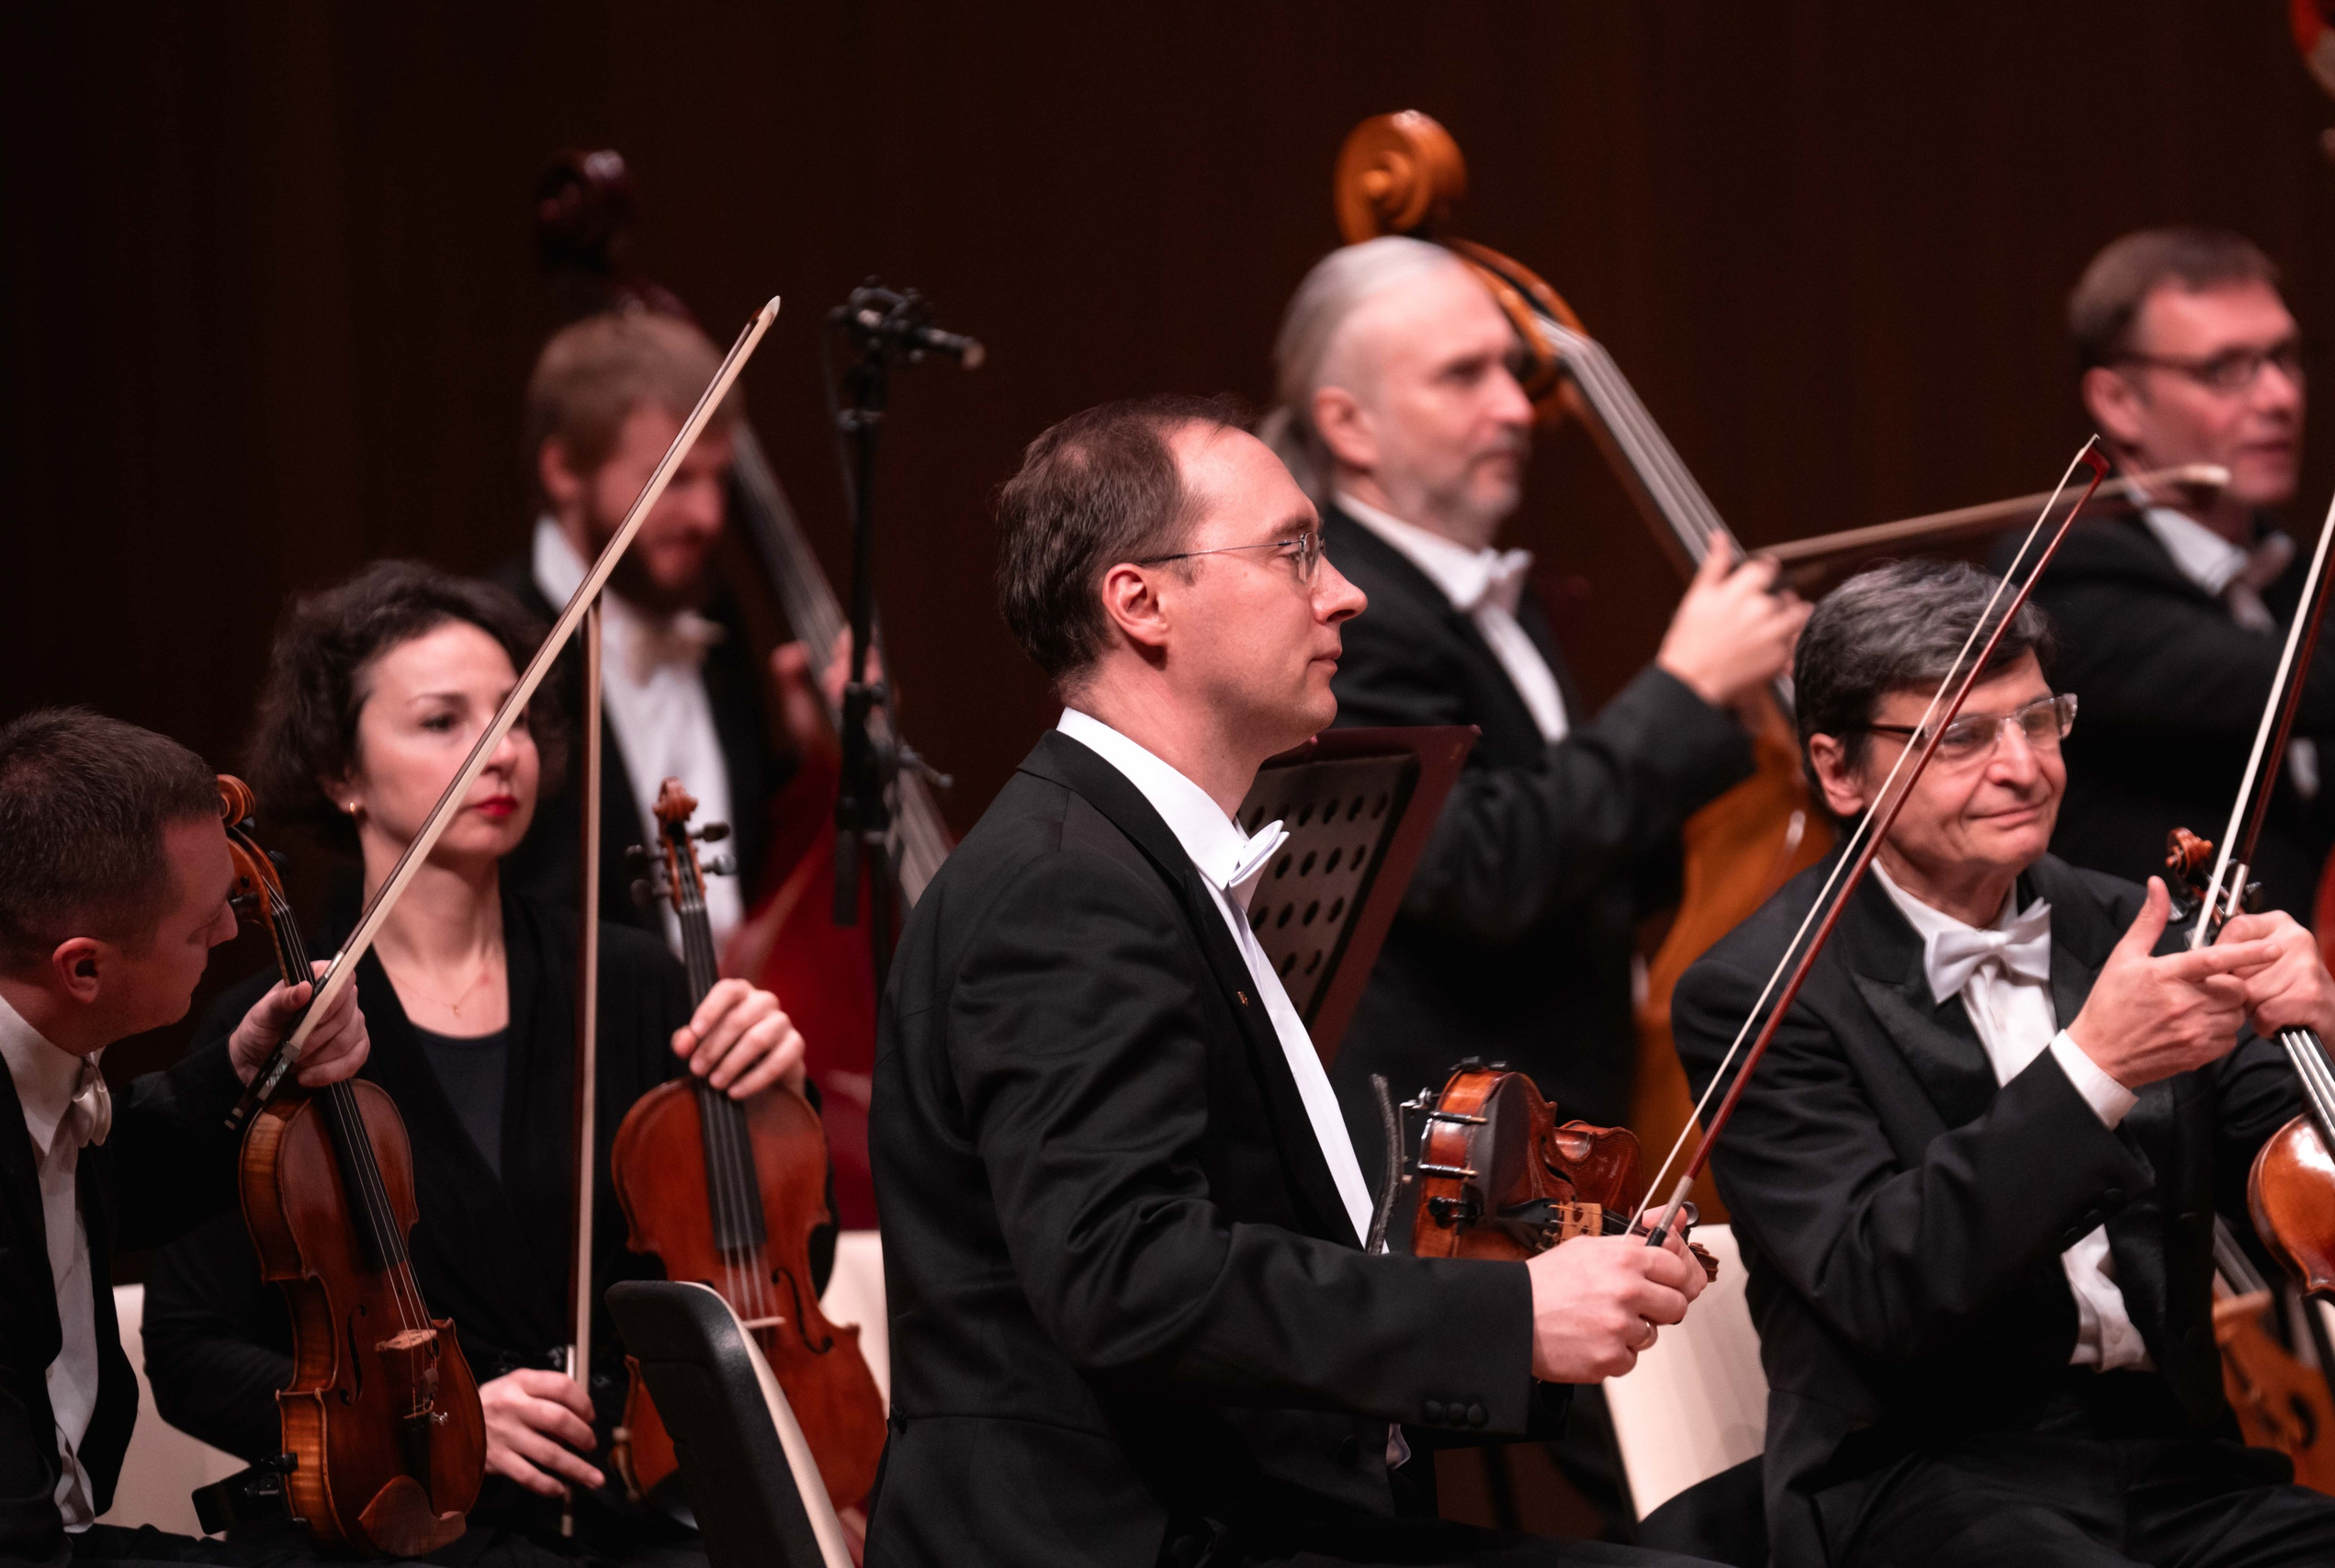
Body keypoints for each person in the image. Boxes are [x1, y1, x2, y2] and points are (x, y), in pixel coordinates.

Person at [868, 395, 1712, 1568]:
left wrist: (1555, 1275)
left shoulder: (1136, 860)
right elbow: (1130, 1277)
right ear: (1139, 601)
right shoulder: (1066, 890)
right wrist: (1509, 1318)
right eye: (1295, 552)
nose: (1346, 592)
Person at [1674, 558, 2335, 1567]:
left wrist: (2334, 1036)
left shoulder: (2139, 926)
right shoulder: (1760, 994)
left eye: (2038, 720)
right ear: (1838, 770)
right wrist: (2093, 1066)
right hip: (1920, 1485)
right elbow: (1883, 1284)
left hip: (2177, 1466)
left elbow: (2297, 1170)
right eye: (1960, 737)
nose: (2023, 766)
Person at [138, 563, 815, 1566]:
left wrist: (773, 1107)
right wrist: (444, 1421)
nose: (500, 750)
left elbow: (759, 1269)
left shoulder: (624, 980)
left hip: (624, 1510)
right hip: (408, 1529)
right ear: (340, 772)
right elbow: (191, 1355)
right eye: (441, 722)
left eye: (514, 715)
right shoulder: (275, 1034)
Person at [1259, 236, 1810, 1166]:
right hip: (1447, 1159)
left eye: (1514, 373)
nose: (1517, 408)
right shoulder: (1335, 615)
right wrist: (1683, 692)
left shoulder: (1487, 601)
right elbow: (1479, 870)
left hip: (1543, 1132)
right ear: (1349, 426)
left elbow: (1585, 862)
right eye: (1463, 377)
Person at [0, 708, 369, 1564]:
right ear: (83, 967)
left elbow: (94, 1175)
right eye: (202, 925)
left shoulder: (40, 1066)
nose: (232, 933)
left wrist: (242, 1069)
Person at [1993, 226, 2335, 919]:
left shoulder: (2294, 567)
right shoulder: (2060, 574)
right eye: (2225, 369)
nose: (2279, 395)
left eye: (2285, 357)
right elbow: (2294, 685)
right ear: (2118, 400)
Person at [494, 310, 842, 955]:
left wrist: (814, 756)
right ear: (564, 469)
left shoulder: (716, 611)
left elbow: (750, 869)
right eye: (674, 478)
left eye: (720, 478)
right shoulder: (493, 652)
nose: (710, 515)